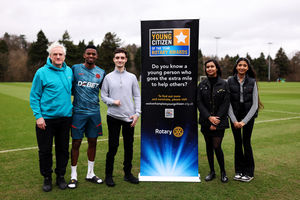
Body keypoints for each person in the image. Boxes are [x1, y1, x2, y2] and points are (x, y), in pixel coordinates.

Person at [30, 42, 73, 192]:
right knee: (45, 150)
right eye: (55, 54)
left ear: (64, 56)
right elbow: (34, 96)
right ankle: (47, 177)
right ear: (50, 56)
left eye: (60, 54)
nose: (58, 56)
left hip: (65, 118)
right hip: (46, 120)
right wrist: (38, 116)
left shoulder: (69, 72)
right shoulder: (41, 73)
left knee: (63, 150)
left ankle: (60, 176)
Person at [101, 48, 141, 187]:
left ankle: (128, 174)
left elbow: (137, 95)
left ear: (125, 60)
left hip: (129, 117)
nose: (119, 60)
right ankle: (108, 175)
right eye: (117, 57)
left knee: (128, 147)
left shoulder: (132, 77)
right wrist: (113, 101)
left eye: (122, 58)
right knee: (113, 146)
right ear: (114, 59)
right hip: (113, 117)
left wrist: (137, 113)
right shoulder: (108, 77)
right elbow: (103, 96)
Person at [67, 45, 106, 189]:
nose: (91, 56)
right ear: (84, 55)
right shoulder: (75, 69)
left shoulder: (101, 72)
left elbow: (106, 91)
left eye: (93, 54)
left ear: (96, 56)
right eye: (88, 53)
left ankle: (90, 173)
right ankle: (73, 175)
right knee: (76, 143)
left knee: (93, 142)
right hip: (78, 112)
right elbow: (68, 87)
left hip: (94, 112)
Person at [228, 57, 263, 182]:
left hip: (248, 117)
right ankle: (239, 171)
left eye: (244, 65)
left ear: (248, 68)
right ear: (236, 67)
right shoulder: (229, 81)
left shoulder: (252, 82)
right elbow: (228, 103)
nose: (242, 67)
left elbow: (255, 105)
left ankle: (249, 172)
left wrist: (244, 121)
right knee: (237, 143)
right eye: (240, 65)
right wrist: (234, 120)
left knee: (246, 143)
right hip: (234, 116)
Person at [197, 59, 230, 183]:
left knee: (217, 146)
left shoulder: (224, 84)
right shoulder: (202, 84)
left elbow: (225, 103)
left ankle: (223, 172)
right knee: (209, 146)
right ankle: (212, 172)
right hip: (206, 120)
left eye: (212, 66)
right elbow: (199, 102)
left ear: (217, 68)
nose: (209, 69)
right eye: (207, 67)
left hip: (219, 121)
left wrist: (216, 119)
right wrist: (208, 117)